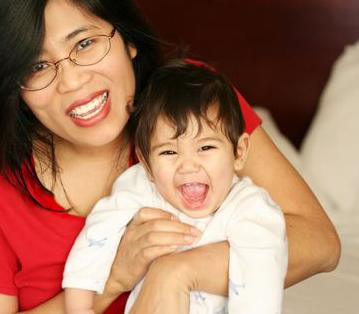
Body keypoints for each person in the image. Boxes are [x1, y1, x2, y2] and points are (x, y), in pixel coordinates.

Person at [0, 0, 340, 313]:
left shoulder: (191, 101)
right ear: (14, 86)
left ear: (128, 38)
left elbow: (320, 242)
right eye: (37, 66)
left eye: (85, 43)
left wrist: (178, 272)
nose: (73, 81)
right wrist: (113, 279)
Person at [63, 59, 288, 314]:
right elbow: (97, 236)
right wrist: (79, 307)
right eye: (169, 152)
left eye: (205, 147)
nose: (188, 166)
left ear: (239, 152)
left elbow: (260, 283)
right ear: (146, 164)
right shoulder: (143, 188)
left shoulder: (251, 210)